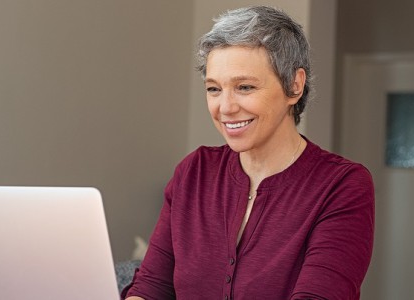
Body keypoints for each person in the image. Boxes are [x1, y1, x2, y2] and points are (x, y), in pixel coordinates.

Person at [122, 6, 374, 300]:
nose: (225, 107)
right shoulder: (194, 171)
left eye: (244, 87)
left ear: (294, 85)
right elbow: (151, 287)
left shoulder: (342, 185)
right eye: (214, 89)